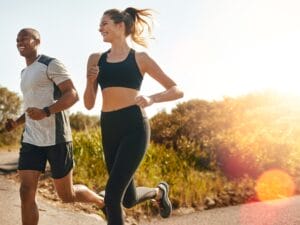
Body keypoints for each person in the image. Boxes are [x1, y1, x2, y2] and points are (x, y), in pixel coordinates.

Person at [83, 7, 184, 225]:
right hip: (109, 126)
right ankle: (159, 192)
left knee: (111, 196)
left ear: (120, 26)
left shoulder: (140, 58)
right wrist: (91, 82)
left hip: (134, 126)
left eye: (104, 24)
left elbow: (176, 90)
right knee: (127, 199)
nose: (100, 28)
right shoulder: (95, 59)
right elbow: (89, 104)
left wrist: (152, 99)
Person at [5, 28, 104, 225]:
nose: (19, 41)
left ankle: (102, 202)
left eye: (24, 37)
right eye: (17, 39)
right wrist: (16, 122)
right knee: (26, 192)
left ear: (37, 40)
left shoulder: (50, 64)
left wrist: (46, 112)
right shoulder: (24, 72)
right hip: (32, 138)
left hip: (56, 138)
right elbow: (31, 106)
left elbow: (72, 94)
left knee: (67, 195)